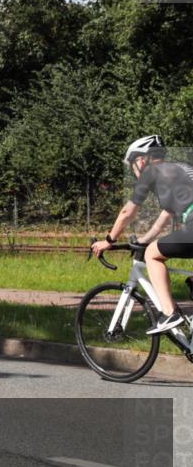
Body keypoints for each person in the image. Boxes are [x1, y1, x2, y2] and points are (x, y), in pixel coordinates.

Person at [92, 135, 193, 334]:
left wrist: (108, 240)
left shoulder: (152, 171)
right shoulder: (179, 170)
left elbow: (127, 212)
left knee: (152, 255)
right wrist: (144, 240)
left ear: (142, 159)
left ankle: (170, 313)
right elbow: (166, 215)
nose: (134, 171)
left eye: (132, 165)